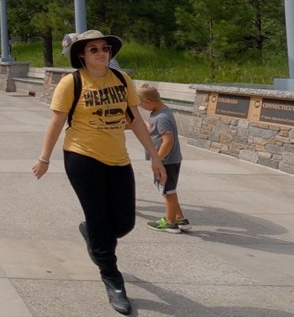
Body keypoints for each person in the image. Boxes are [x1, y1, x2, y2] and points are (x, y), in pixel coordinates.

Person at [32, 30, 166, 315]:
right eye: (93, 50)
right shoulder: (72, 83)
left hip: (119, 159)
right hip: (82, 158)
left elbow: (137, 120)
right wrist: (45, 158)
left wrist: (155, 158)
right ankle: (113, 279)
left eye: (104, 48)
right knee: (98, 219)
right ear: (82, 54)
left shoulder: (122, 79)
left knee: (124, 223)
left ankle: (93, 236)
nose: (101, 53)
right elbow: (56, 123)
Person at [139, 84, 190, 233]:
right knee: (169, 190)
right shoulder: (161, 111)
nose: (141, 107)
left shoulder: (162, 117)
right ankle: (180, 218)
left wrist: (158, 159)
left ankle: (170, 222)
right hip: (169, 160)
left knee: (168, 192)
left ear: (148, 101)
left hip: (166, 161)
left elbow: (168, 141)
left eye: (142, 104)